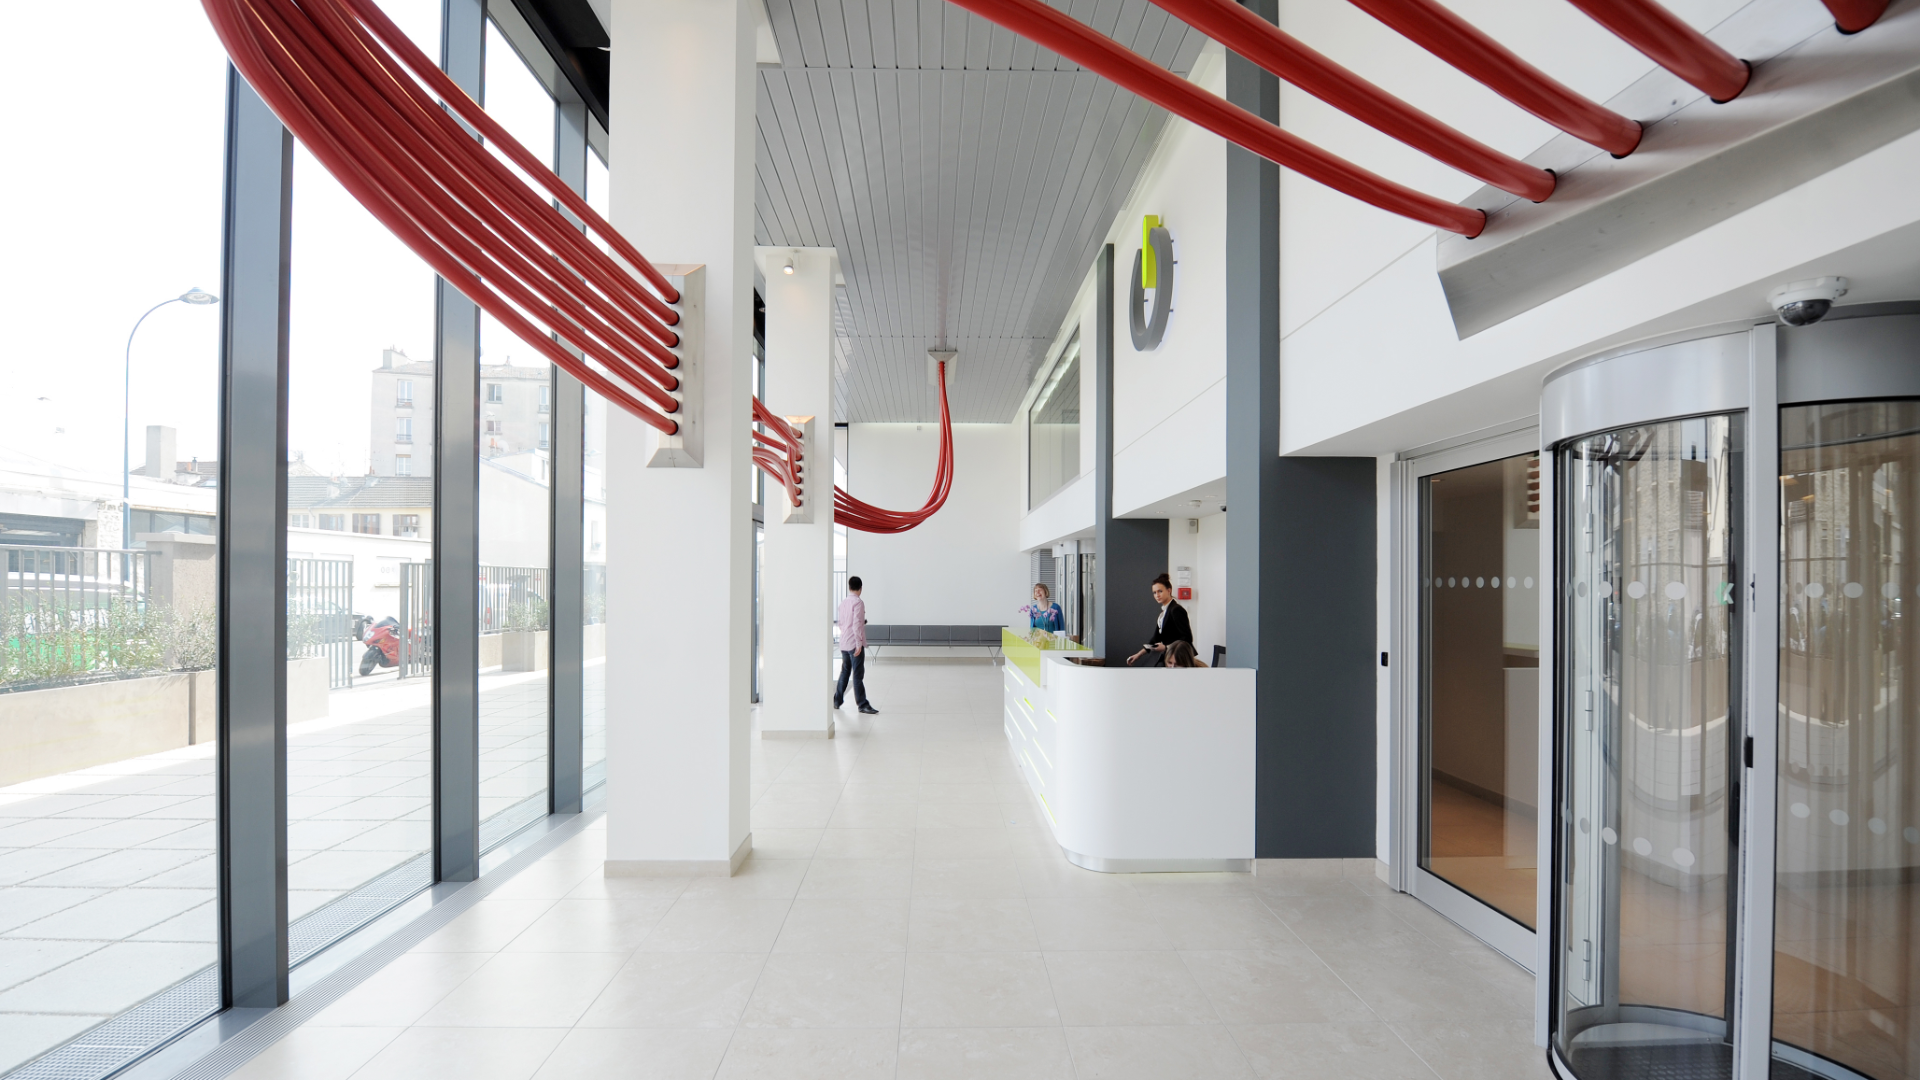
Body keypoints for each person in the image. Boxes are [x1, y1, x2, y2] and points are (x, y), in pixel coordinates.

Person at [1127, 573, 1192, 666]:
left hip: (1179, 659)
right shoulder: (1163, 613)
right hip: (1169, 655)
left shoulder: (1176, 610)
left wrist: (1166, 647)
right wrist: (1138, 655)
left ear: (1169, 590)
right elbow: (1155, 639)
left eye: (1160, 591)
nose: (1157, 595)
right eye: (1154, 592)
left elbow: (1187, 638)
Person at [834, 576, 878, 714]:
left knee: (845, 671)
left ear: (849, 587)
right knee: (857, 675)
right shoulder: (858, 603)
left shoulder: (843, 603)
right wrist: (859, 644)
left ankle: (837, 700)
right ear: (860, 588)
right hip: (854, 644)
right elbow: (857, 625)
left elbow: (842, 624)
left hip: (844, 642)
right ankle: (862, 704)